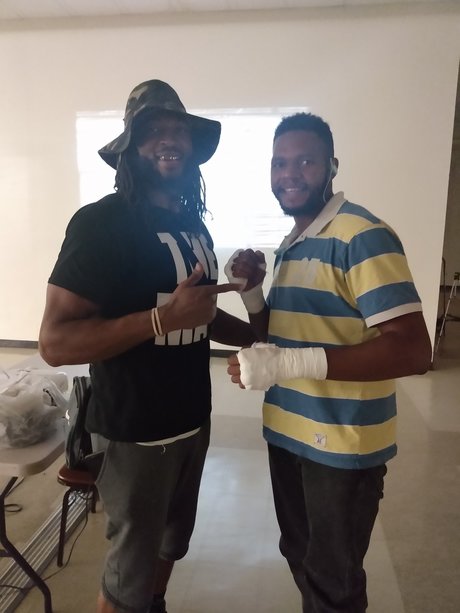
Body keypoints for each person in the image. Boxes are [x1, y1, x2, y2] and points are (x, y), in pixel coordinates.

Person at [39, 79, 255, 613]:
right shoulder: (100, 224)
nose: (169, 139)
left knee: (170, 546)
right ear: (130, 149)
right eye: (153, 130)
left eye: (178, 129)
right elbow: (55, 342)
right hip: (134, 430)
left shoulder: (192, 223)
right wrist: (160, 319)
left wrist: (258, 331)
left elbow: (199, 316)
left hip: (192, 420)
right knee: (128, 573)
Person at [225, 112, 432, 613]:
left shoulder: (362, 234)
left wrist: (285, 368)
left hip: (341, 444)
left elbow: (412, 349)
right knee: (301, 556)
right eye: (279, 163)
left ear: (332, 166)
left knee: (333, 581)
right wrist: (252, 295)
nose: (289, 174)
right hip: (288, 433)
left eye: (305, 162)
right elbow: (280, 336)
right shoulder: (293, 243)